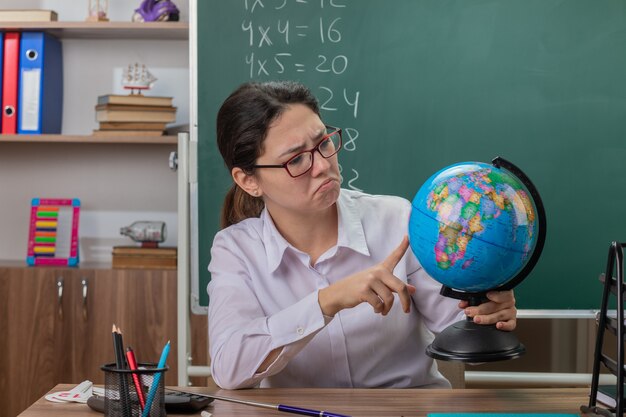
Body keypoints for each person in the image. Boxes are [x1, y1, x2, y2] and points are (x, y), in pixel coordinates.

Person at [207, 81, 517, 389]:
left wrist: (487, 316)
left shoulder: (397, 220)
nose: (322, 166)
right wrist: (327, 301)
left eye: (323, 143)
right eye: (296, 160)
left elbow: (463, 335)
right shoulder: (236, 249)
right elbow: (229, 369)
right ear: (249, 180)